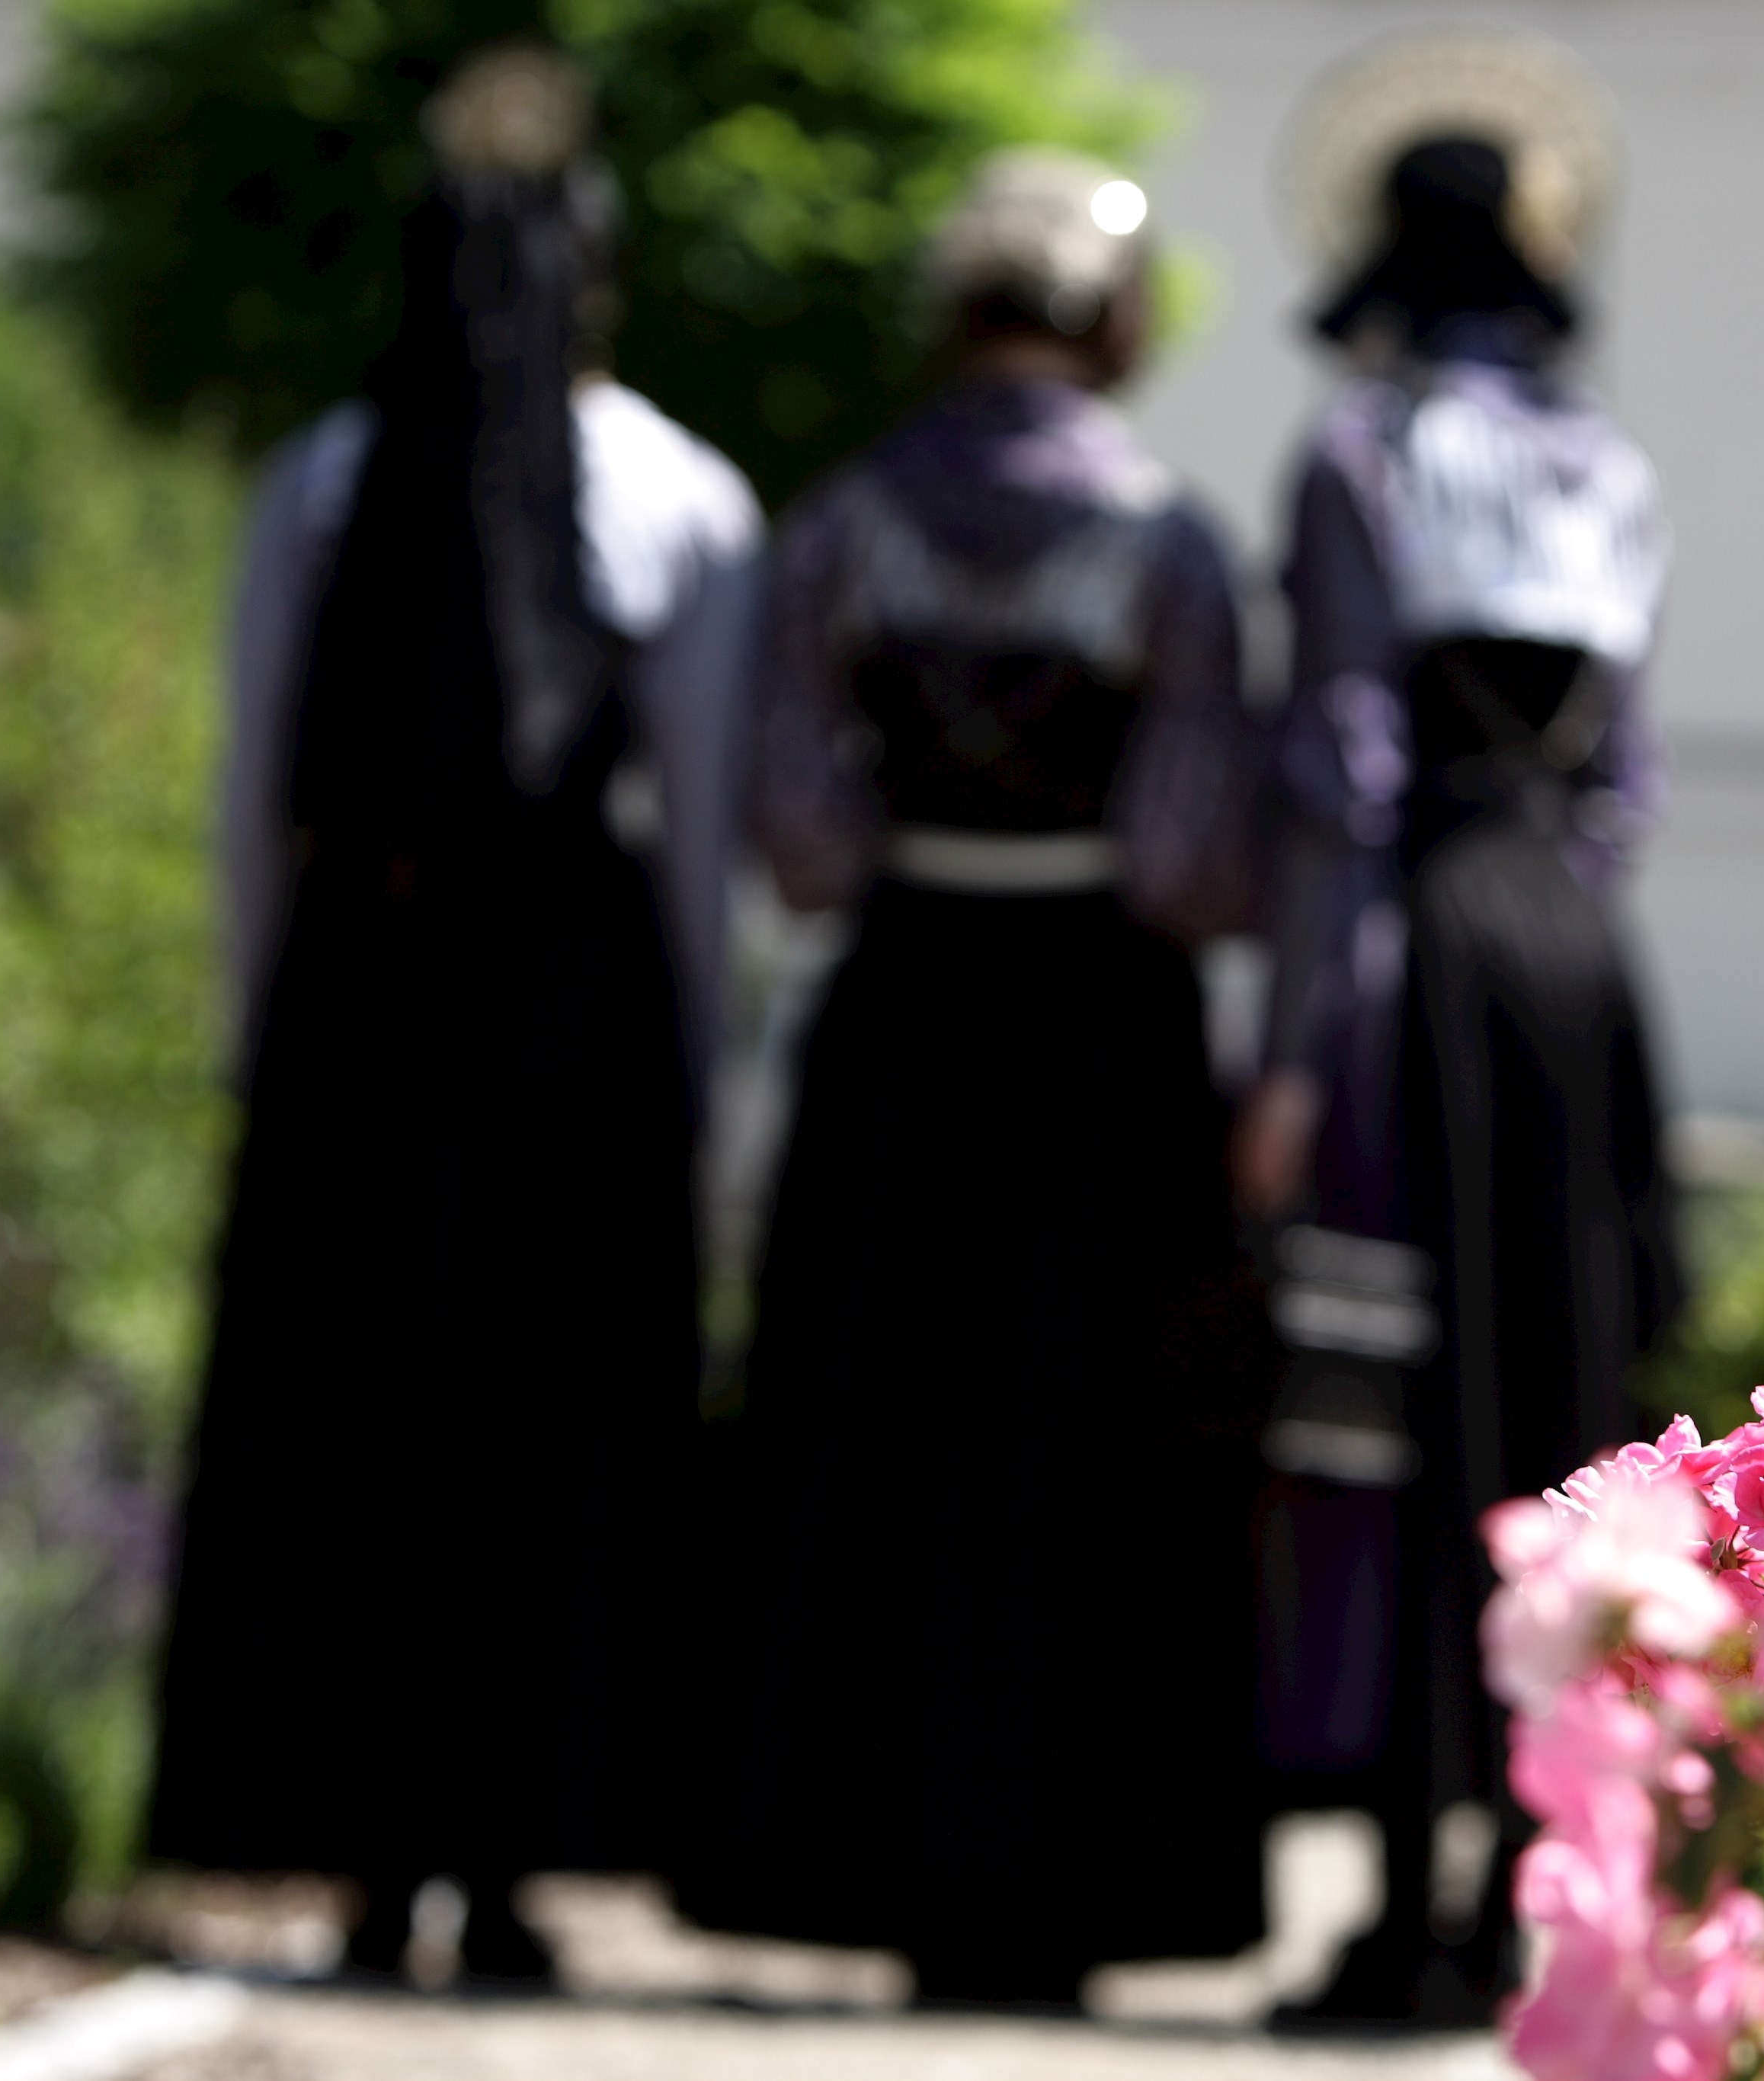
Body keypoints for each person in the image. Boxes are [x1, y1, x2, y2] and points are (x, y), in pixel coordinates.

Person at [148, 44, 760, 1985]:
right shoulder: (674, 490)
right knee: (547, 1432)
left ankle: (361, 1864)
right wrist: (700, 1068)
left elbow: (259, 791)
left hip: (361, 1000)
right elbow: (703, 824)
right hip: (574, 1020)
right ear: (601, 285)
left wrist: (270, 1020)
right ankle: (512, 1866)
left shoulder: (325, 474)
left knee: (354, 1421)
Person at [670, 149, 1274, 2008]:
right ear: (1109, 322)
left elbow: (800, 838)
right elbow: (1193, 861)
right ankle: (1073, 1897)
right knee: (1100, 1453)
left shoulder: (841, 523)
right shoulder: (1172, 536)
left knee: (882, 1431)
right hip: (1106, 1035)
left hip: (902, 1024)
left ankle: (875, 1875)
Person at [1241, 30, 1684, 2026]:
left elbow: (1339, 772)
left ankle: (1409, 1897)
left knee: (1405, 1429)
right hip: (1578, 976)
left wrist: (1295, 1051)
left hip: (1419, 955)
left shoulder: (1353, 454)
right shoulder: (1613, 470)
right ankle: (1526, 1893)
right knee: (1560, 1423)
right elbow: (1622, 790)